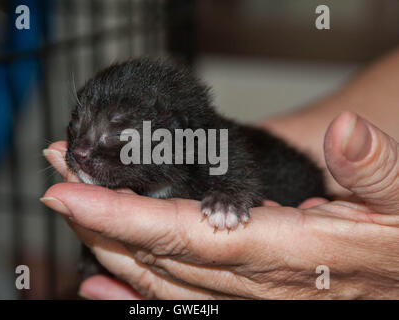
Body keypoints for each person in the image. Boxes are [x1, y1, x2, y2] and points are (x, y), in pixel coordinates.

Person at [40, 49, 399, 299]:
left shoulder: (216, 155)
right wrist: (95, 256)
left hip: (304, 192)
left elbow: (239, 176)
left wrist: (229, 198)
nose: (81, 150)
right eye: (77, 123)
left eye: (118, 134)